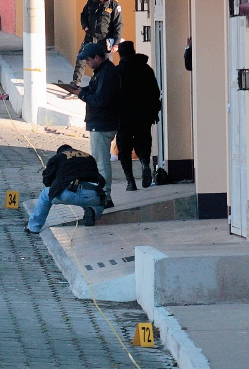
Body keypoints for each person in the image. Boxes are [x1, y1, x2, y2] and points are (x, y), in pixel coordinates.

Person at [72, 42, 121, 201]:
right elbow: (94, 90)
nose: (86, 62)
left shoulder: (107, 73)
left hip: (102, 124)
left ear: (98, 58)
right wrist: (80, 90)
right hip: (99, 123)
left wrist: (82, 95)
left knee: (101, 162)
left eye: (88, 59)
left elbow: (100, 99)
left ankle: (105, 196)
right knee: (100, 160)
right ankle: (103, 193)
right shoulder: (101, 71)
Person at [26, 144, 108, 233]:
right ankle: (93, 211)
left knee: (45, 195)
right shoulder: (89, 157)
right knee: (101, 201)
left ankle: (33, 227)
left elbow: (47, 181)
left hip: (67, 193)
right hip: (90, 195)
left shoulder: (57, 158)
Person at [115, 41, 161, 190]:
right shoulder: (146, 69)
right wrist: (153, 112)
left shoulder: (119, 71)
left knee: (124, 147)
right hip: (144, 115)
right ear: (134, 51)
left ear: (120, 54)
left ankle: (130, 181)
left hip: (124, 116)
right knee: (143, 141)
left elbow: (113, 94)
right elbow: (155, 92)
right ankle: (144, 163)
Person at [70, 0, 123, 86]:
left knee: (103, 65)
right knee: (81, 59)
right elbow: (83, 15)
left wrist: (116, 43)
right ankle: (76, 83)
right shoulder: (91, 3)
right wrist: (85, 26)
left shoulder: (114, 5)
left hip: (104, 41)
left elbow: (118, 25)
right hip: (90, 37)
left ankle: (100, 86)